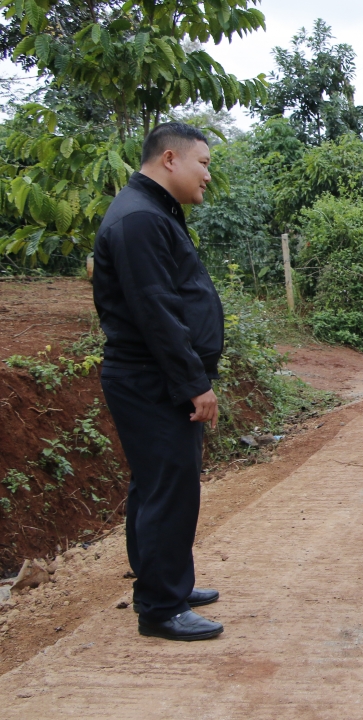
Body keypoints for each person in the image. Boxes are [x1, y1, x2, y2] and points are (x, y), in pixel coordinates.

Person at [93, 123, 225, 639]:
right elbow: (157, 313)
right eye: (205, 163)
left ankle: (164, 579)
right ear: (170, 159)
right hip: (150, 377)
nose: (208, 175)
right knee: (170, 487)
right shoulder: (140, 220)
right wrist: (195, 383)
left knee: (158, 484)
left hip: (151, 375)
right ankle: (161, 606)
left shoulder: (152, 212)